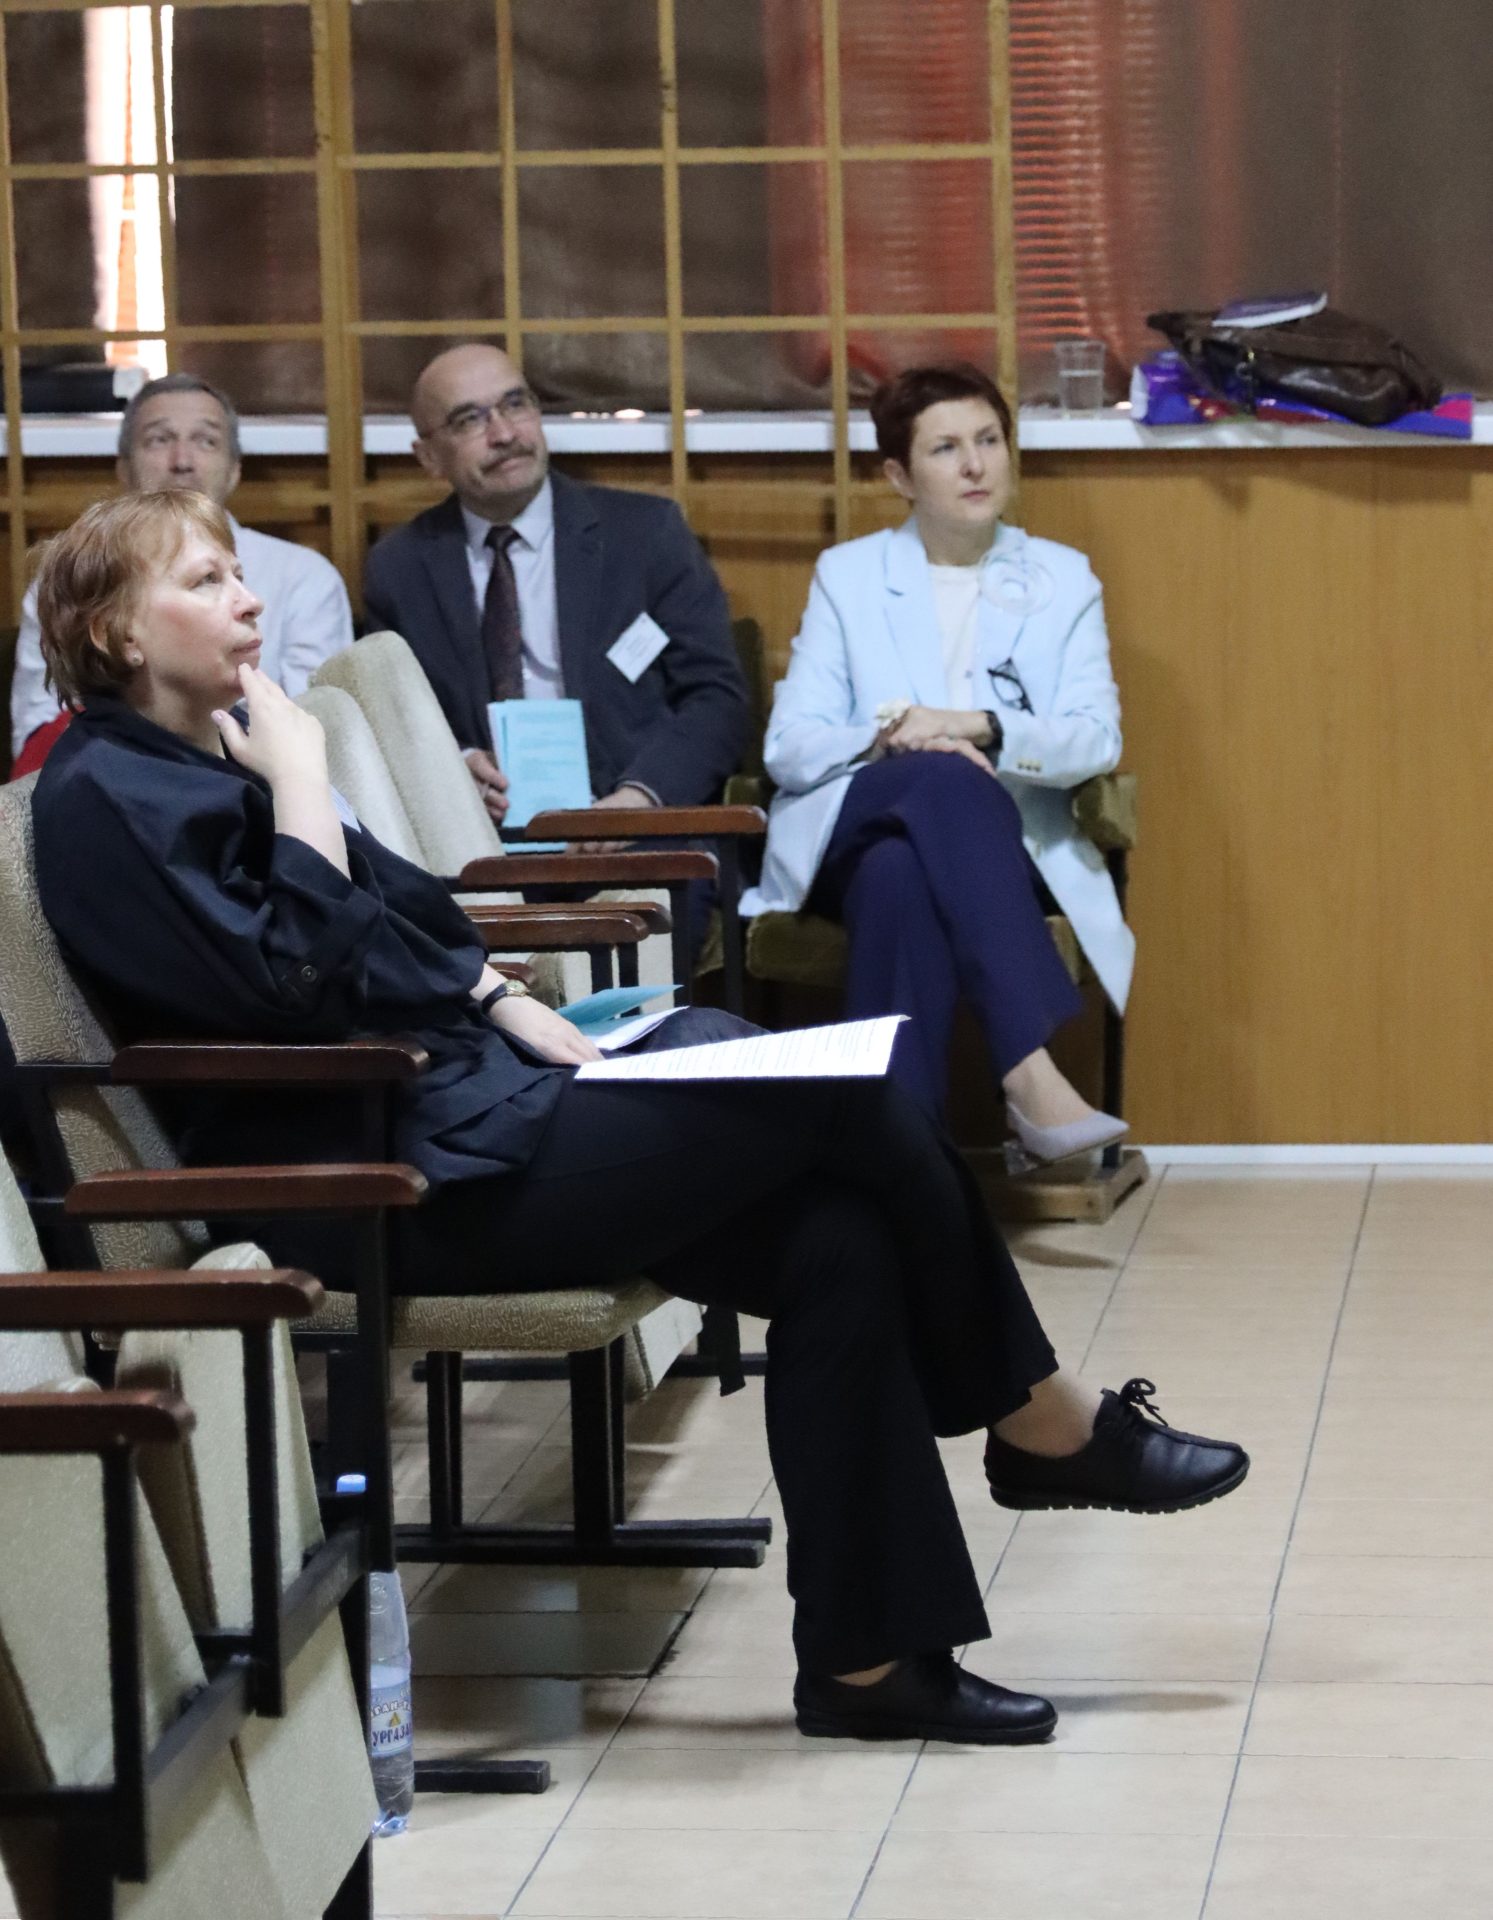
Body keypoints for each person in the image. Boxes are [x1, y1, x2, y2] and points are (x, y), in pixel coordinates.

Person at [31, 491, 1248, 1747]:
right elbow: (294, 986)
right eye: (203, 581)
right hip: (367, 1183)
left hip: (457, 1112)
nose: (247, 598)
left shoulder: (212, 754)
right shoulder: (108, 795)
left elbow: (418, 919)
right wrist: (301, 782)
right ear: (117, 633)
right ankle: (1038, 1414)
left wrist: (499, 995)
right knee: (842, 1090)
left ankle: (871, 1665)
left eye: (238, 571)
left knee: (835, 1240)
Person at [744, 363, 1132, 1161]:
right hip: (854, 815)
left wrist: (976, 727)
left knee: (899, 876)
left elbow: (1095, 738)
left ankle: (897, 1167)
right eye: (945, 448)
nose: (975, 465)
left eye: (988, 440)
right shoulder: (850, 576)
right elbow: (790, 747)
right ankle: (1027, 1069)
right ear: (899, 476)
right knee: (937, 784)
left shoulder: (1062, 578)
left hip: (1000, 846)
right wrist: (890, 738)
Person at [362, 343, 748, 829]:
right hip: (481, 836)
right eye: (469, 420)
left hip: (638, 827)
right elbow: (392, 721)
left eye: (515, 404)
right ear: (429, 457)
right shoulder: (400, 568)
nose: (504, 434)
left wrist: (640, 799)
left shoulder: (646, 536)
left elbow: (716, 699)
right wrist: (454, 768)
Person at [8, 372, 353, 773]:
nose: (183, 462)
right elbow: (38, 739)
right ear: (124, 467)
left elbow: (317, 727)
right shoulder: (74, 579)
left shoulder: (304, 575)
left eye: (206, 441)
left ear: (234, 469)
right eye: (159, 439)